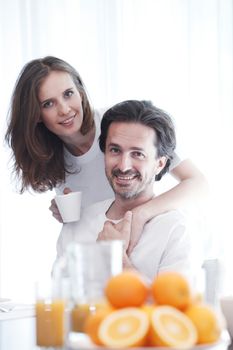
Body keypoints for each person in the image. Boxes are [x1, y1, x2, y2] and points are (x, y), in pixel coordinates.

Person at [5, 56, 207, 253]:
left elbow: (198, 183)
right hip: (111, 254)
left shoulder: (121, 124)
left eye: (68, 94)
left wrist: (139, 215)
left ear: (81, 93)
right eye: (48, 103)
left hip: (157, 241)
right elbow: (92, 222)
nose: (65, 109)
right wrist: (67, 215)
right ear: (36, 115)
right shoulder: (51, 157)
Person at [56, 100, 195, 281]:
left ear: (160, 164)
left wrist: (117, 259)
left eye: (137, 154)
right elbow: (59, 301)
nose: (123, 166)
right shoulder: (77, 226)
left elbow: (171, 308)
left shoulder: (176, 229)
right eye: (115, 150)